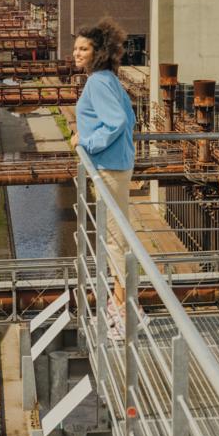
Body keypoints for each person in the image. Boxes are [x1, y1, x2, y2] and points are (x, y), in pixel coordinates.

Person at [69, 18, 136, 284]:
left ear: (98, 53)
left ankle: (122, 303)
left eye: (84, 49)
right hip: (118, 164)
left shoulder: (97, 82)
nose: (77, 53)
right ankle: (122, 298)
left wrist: (86, 142)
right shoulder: (108, 78)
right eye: (76, 48)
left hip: (109, 167)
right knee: (117, 232)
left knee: (114, 236)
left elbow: (116, 122)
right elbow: (129, 118)